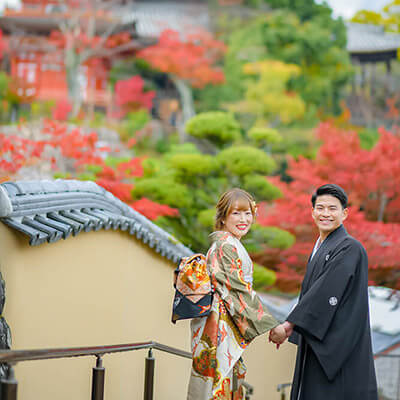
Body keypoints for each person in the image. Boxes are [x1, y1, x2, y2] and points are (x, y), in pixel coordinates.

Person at [270, 184, 378, 400]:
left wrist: (289, 325)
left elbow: (325, 291)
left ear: (344, 213)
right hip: (318, 339)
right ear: (312, 212)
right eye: (320, 208)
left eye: (332, 208)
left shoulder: (350, 247)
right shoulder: (321, 247)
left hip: (338, 345)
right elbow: (309, 295)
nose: (325, 214)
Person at [187, 188, 286, 400]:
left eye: (248, 213)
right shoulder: (225, 246)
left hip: (224, 325)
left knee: (223, 386)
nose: (244, 219)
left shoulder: (231, 244)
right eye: (236, 213)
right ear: (222, 217)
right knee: (216, 389)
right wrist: (273, 325)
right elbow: (238, 290)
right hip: (218, 327)